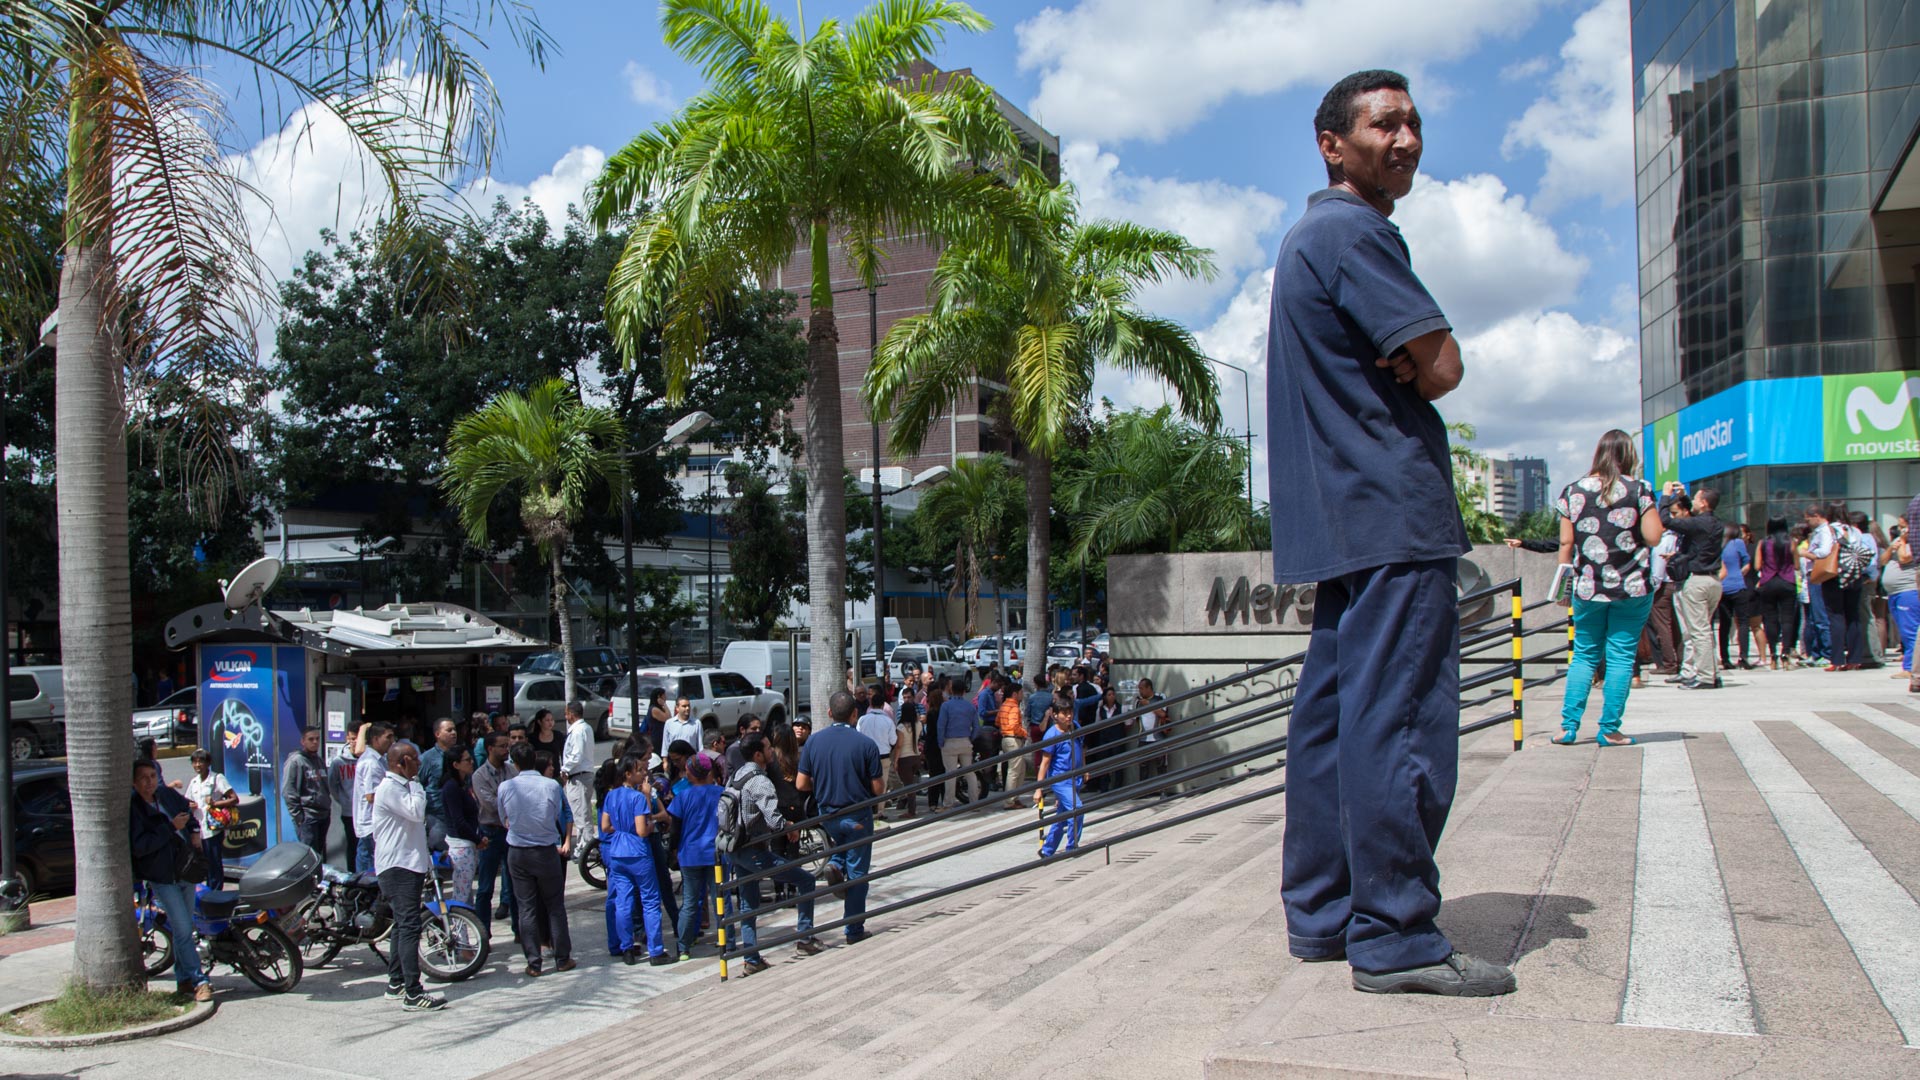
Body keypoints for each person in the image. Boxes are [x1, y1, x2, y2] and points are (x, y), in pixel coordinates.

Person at [1267, 70, 1515, 997]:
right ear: (1333, 143)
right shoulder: (1354, 233)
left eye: (1413, 122)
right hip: (1393, 514)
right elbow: (1442, 366)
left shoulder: (1305, 240)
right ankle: (1398, 936)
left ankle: (1325, 915)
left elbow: (1422, 362)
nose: (1406, 139)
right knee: (1402, 723)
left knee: (1333, 726)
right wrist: (1422, 358)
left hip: (1339, 523)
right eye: (1384, 124)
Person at [1552, 431, 1662, 747]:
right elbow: (1654, 537)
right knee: (1620, 657)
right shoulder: (1639, 489)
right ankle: (1609, 729)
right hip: (1632, 587)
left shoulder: (1573, 491)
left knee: (1584, 656)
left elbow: (1566, 543)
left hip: (1588, 586)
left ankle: (1568, 727)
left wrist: (1563, 587)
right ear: (1629, 454)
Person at [730, 735, 822, 975]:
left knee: (749, 904)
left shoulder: (737, 775)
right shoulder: (760, 781)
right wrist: (790, 827)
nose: (772, 751)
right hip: (755, 850)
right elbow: (773, 818)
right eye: (769, 748)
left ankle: (751, 958)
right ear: (758, 754)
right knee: (806, 880)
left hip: (736, 848)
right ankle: (805, 937)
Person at [797, 689, 883, 944]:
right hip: (858, 814)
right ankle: (853, 929)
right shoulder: (866, 744)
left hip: (828, 813)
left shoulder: (813, 741)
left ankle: (835, 863)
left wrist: (824, 784)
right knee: (858, 874)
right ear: (855, 713)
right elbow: (878, 788)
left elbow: (802, 783)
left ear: (829, 713)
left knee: (842, 849)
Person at [370, 741, 446, 1011]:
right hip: (398, 867)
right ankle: (413, 992)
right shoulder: (392, 788)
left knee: (403, 926)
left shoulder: (401, 787)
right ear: (401, 762)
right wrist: (417, 785)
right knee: (410, 926)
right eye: (414, 759)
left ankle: (396, 982)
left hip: (409, 864)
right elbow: (416, 812)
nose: (419, 763)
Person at [130, 758, 213, 1002]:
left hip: (186, 871)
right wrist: (169, 827)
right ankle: (199, 981)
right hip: (162, 877)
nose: (149, 782)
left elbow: (189, 812)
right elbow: (140, 846)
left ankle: (184, 981)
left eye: (153, 776)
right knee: (183, 929)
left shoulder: (165, 795)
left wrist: (195, 833)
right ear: (134, 783)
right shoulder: (134, 808)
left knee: (184, 929)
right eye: (144, 778)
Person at [497, 741, 573, 976]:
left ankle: (534, 962)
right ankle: (562, 958)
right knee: (555, 906)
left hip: (518, 850)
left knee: (526, 907)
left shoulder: (506, 787)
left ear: (516, 763)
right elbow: (554, 816)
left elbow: (504, 818)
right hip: (544, 849)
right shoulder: (550, 786)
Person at [602, 753, 672, 965]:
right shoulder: (637, 798)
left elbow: (605, 826)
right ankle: (656, 950)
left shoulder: (611, 795)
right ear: (628, 773)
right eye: (640, 770)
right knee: (650, 900)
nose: (644, 774)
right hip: (637, 852)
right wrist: (649, 822)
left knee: (623, 901)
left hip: (617, 851)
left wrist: (622, 828)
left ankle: (627, 948)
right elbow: (643, 830)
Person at [1663, 485, 1727, 690]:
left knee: (1698, 632)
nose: (1694, 503)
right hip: (1713, 581)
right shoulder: (1716, 523)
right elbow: (1696, 516)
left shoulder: (1699, 524)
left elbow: (1666, 520)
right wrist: (1684, 497)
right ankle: (1712, 673)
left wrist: (1665, 496)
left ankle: (1706, 677)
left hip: (1697, 582)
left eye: (1697, 499)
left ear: (1705, 503)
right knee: (1706, 631)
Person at [668, 752, 724, 961]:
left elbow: (675, 829)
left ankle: (683, 946)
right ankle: (725, 939)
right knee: (719, 896)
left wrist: (672, 851)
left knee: (690, 901)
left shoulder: (683, 797)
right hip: (716, 853)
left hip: (690, 854)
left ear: (690, 773)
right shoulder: (721, 793)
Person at [1805, 503, 1869, 670]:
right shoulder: (1855, 530)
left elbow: (1825, 552)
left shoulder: (1828, 530)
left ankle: (1837, 659)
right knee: (1853, 616)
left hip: (1834, 576)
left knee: (1836, 616)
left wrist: (1807, 553)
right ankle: (1855, 658)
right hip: (1854, 575)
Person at [472, 730, 519, 932]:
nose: (506, 750)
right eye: (502, 746)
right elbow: (490, 804)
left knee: (516, 883)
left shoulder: (511, 771)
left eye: (507, 746)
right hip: (490, 832)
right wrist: (509, 805)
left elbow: (520, 796)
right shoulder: (480, 775)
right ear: (490, 748)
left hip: (510, 832)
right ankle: (484, 932)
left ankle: (519, 929)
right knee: (485, 887)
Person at [1035, 698, 1085, 858]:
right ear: (1055, 715)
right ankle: (1072, 846)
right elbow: (1045, 763)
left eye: (1070, 712)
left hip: (1075, 777)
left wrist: (1084, 769)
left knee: (1062, 816)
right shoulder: (1052, 734)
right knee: (1077, 809)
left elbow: (1081, 749)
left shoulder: (1075, 728)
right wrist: (1038, 789)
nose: (1069, 716)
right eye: (1064, 713)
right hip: (1061, 780)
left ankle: (1047, 850)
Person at [184, 748, 236, 890]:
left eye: (201, 761)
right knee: (202, 863)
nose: (197, 765)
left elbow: (233, 799)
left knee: (214, 863)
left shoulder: (217, 778)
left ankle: (216, 893)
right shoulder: (194, 782)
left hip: (212, 829)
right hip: (198, 830)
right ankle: (207, 892)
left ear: (208, 763)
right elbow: (186, 801)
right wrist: (190, 805)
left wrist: (215, 804)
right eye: (194, 762)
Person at [1753, 517, 1800, 671]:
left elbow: (1757, 565)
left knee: (1770, 619)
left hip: (1768, 582)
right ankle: (1785, 652)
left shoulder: (1763, 543)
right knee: (1787, 619)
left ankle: (1773, 655)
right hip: (1787, 582)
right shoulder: (1791, 542)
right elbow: (1798, 565)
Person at [442, 745, 482, 906]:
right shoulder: (451, 788)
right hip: (461, 847)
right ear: (456, 764)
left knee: (466, 895)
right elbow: (459, 821)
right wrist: (478, 839)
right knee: (461, 895)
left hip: (468, 844)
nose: (471, 762)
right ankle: (458, 931)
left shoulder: (461, 785)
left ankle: (464, 929)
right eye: (467, 760)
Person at [281, 727, 331, 855]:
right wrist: (299, 817)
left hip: (323, 815)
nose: (315, 742)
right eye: (311, 739)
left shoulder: (319, 760)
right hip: (308, 817)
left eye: (317, 739)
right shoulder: (296, 761)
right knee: (309, 855)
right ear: (303, 741)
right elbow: (288, 791)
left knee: (319, 855)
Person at [935, 676, 981, 808]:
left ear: (951, 690)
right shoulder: (970, 706)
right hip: (965, 741)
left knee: (950, 773)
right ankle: (974, 802)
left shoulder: (946, 706)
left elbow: (941, 726)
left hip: (949, 742)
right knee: (969, 773)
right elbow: (977, 726)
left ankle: (948, 803)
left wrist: (941, 742)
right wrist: (970, 738)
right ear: (964, 691)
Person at [354, 723, 395, 871]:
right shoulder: (371, 762)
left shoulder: (380, 759)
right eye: (388, 737)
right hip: (371, 824)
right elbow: (371, 796)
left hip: (377, 823)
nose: (392, 740)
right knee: (369, 870)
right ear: (376, 739)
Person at [1878, 521, 1916, 678]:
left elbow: (1904, 558)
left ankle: (1910, 668)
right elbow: (1882, 560)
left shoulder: (1913, 541)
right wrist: (1891, 547)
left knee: (1910, 631)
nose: (1901, 530)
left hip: (1908, 590)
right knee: (1903, 630)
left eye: (1903, 526)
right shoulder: (1899, 540)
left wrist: (1904, 541)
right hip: (1894, 593)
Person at [560, 701, 597, 862]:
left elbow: (576, 754)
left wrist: (565, 769)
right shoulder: (585, 728)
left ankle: (587, 848)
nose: (565, 716)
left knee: (581, 814)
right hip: (582, 775)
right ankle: (585, 845)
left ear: (571, 714)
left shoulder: (578, 731)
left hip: (579, 776)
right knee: (582, 812)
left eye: (566, 713)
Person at [1716, 523, 1755, 671]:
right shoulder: (1737, 543)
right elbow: (1746, 562)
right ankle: (1743, 656)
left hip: (1722, 586)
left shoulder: (1718, 544)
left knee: (1724, 624)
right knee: (1743, 622)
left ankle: (1725, 658)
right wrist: (1740, 573)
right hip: (1738, 586)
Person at [418, 717, 459, 845]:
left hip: (457, 815)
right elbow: (417, 783)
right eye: (449, 730)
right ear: (437, 734)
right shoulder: (427, 758)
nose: (454, 733)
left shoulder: (460, 755)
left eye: (455, 730)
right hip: (437, 817)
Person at [996, 676, 1029, 809]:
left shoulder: (1004, 705)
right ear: (1015, 694)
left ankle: (1014, 797)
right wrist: (1024, 733)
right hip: (1014, 739)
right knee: (1015, 771)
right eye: (1020, 692)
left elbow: (997, 721)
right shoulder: (1014, 707)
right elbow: (1015, 726)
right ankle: (1010, 800)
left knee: (1019, 769)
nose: (1022, 695)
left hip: (1006, 738)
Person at [855, 694, 897, 792]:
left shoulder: (862, 719)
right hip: (883, 756)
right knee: (882, 787)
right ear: (883, 705)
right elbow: (893, 740)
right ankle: (880, 807)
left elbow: (857, 737)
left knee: (866, 786)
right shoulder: (888, 721)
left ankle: (869, 806)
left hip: (866, 757)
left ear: (871, 704)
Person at [327, 742, 358, 871]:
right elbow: (332, 785)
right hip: (349, 812)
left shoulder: (369, 759)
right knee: (353, 846)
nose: (356, 742)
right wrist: (343, 801)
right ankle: (352, 874)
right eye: (352, 738)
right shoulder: (338, 762)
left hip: (367, 812)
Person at [1133, 679, 1170, 784]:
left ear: (1149, 688)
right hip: (1143, 738)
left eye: (1142, 689)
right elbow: (1136, 719)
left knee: (1161, 765)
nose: (1140, 691)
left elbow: (1163, 714)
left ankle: (1163, 790)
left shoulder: (1160, 697)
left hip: (1158, 738)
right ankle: (1144, 791)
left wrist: (1149, 704)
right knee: (1143, 766)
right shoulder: (1138, 702)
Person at [662, 698, 701, 764]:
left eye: (688, 706)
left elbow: (700, 745)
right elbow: (665, 744)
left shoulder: (696, 723)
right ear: (677, 708)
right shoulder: (669, 723)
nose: (687, 708)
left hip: (691, 761)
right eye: (684, 706)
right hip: (674, 761)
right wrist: (665, 761)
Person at [644, 688, 672, 754]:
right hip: (657, 738)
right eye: (664, 695)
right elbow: (668, 718)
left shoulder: (659, 708)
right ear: (659, 696)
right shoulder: (654, 709)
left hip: (662, 737)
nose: (666, 697)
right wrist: (664, 704)